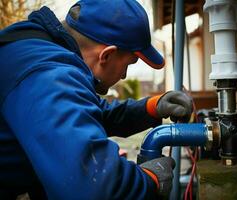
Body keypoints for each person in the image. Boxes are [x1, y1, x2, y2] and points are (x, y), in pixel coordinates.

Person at [0, 0, 193, 199]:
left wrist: (152, 107)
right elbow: (94, 187)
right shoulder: (49, 75)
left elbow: (89, 111)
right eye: (128, 64)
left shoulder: (36, 52)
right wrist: (149, 180)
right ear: (106, 55)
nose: (124, 76)